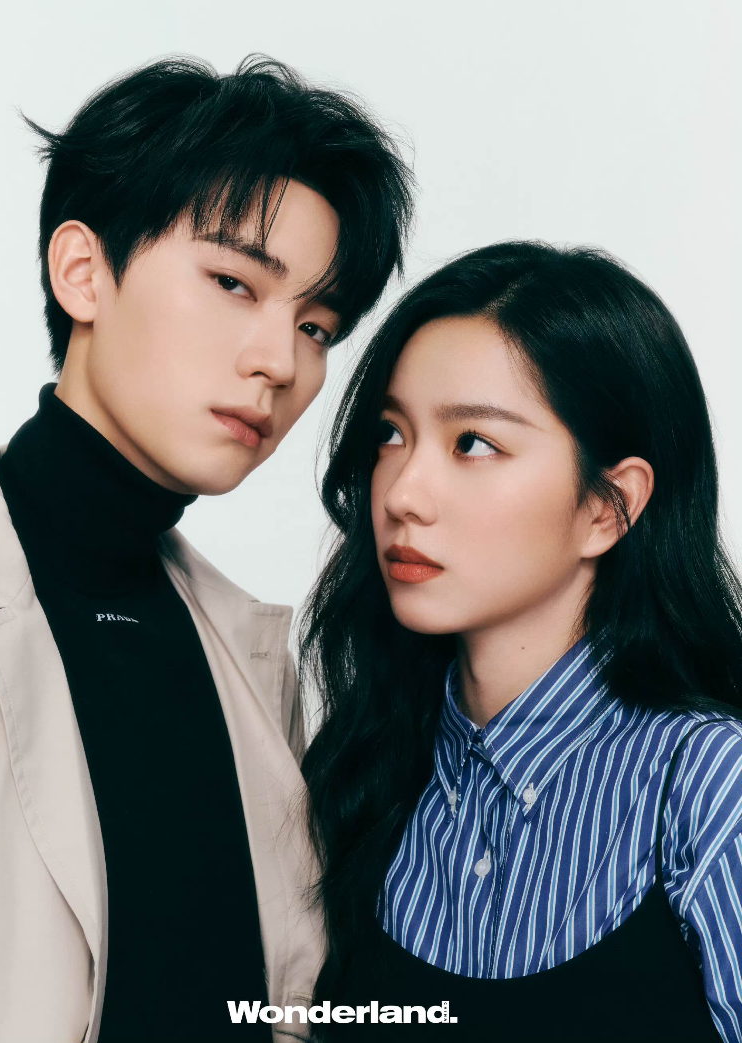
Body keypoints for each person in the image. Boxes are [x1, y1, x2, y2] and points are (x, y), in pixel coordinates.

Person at [0, 56, 412, 1043]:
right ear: (83, 273)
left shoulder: (252, 659)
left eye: (316, 325)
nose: (279, 362)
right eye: (234, 283)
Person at [300, 241, 742, 1042]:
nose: (402, 493)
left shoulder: (708, 785)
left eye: (473, 442)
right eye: (391, 434)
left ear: (608, 506)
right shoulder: (360, 774)